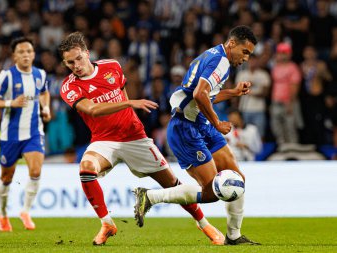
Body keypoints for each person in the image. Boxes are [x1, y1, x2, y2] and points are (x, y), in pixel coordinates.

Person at [58, 31, 224, 246]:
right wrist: (129, 104)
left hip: (135, 137)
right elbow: (92, 110)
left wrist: (129, 111)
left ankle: (204, 224)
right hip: (104, 140)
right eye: (70, 62)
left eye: (79, 58)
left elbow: (122, 91)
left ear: (87, 53)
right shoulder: (69, 86)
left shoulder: (112, 66)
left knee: (171, 183)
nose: (76, 65)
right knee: (86, 168)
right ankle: (107, 223)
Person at [134, 25, 260, 245]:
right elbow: (199, 94)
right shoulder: (220, 61)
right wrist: (217, 122)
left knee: (237, 180)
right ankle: (151, 196)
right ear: (232, 44)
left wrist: (233, 92)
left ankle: (234, 236)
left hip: (199, 123)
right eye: (245, 52)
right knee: (212, 191)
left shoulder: (216, 56)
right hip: (185, 128)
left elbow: (206, 96)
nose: (247, 58)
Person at [0, 37, 51, 232]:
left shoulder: (40, 74)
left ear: (33, 54)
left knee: (36, 171)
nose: (25, 55)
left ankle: (25, 211)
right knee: (7, 177)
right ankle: (3, 214)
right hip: (10, 136)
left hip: (33, 133)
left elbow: (44, 92)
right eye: (21, 52)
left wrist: (45, 107)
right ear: (14, 56)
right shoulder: (6, 76)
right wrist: (10, 103)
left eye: (29, 51)